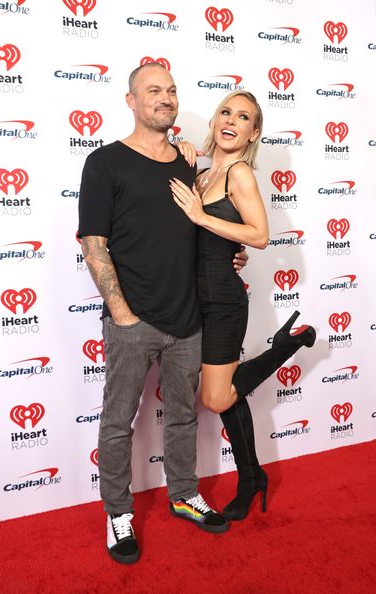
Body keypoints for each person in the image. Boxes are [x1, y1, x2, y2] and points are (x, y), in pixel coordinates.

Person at [78, 63, 248, 565]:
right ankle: (117, 512)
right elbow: (94, 244)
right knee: (117, 422)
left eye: (171, 90)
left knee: (182, 417)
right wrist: (121, 313)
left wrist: (232, 254)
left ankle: (183, 493)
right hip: (133, 320)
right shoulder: (104, 162)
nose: (165, 98)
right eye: (153, 91)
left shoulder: (188, 164)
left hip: (188, 318)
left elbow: (202, 229)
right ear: (131, 101)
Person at [170, 90, 316, 521]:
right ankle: (252, 477)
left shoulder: (240, 173)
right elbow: (219, 238)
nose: (231, 120)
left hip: (224, 303)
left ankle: (289, 344)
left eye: (244, 117)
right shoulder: (202, 175)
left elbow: (260, 235)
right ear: (216, 121)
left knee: (216, 397)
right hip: (194, 299)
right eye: (226, 112)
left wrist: (203, 218)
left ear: (254, 131)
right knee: (230, 394)